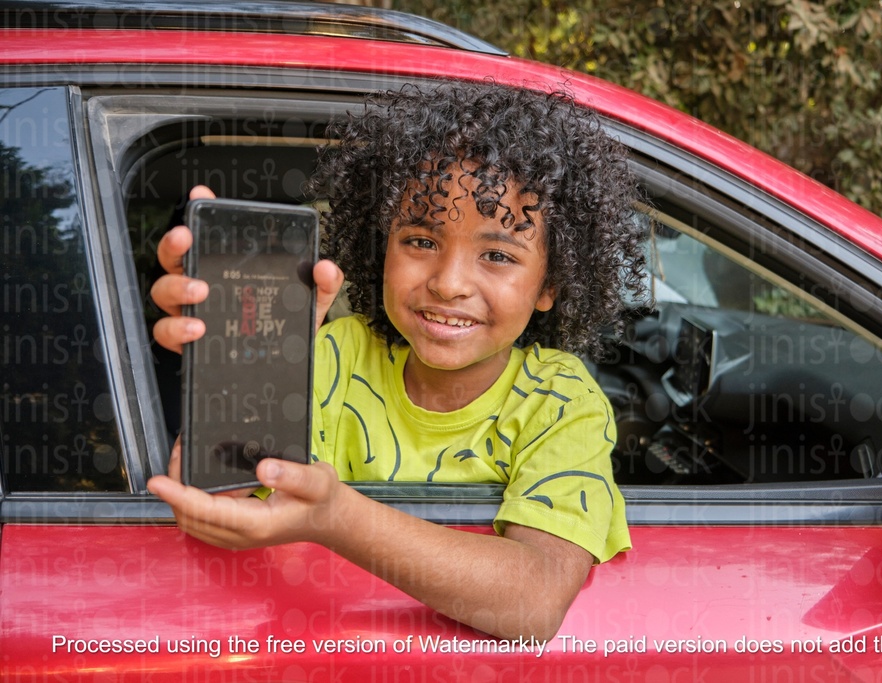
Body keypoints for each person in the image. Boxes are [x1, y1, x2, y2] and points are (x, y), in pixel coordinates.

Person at [147, 81, 648, 640]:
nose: (450, 283)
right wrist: (232, 377)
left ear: (550, 283)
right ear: (380, 244)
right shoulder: (333, 356)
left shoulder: (560, 401)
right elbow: (228, 495)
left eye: (498, 255)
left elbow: (532, 602)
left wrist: (335, 517)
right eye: (421, 241)